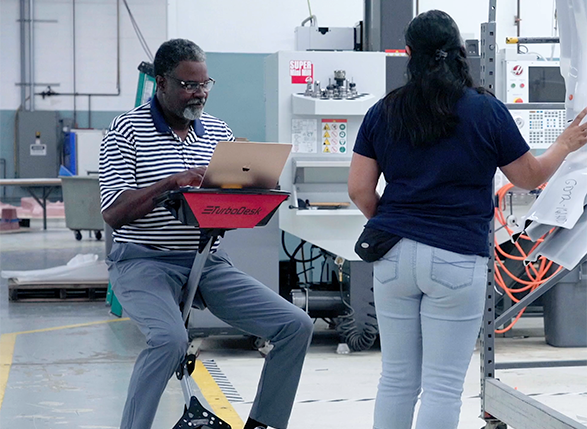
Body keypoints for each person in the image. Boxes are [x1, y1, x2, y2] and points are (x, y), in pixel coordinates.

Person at [347, 10, 587, 429]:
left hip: (393, 257)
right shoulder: (485, 110)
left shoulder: (383, 112)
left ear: (409, 54)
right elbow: (527, 177)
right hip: (457, 259)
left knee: (397, 380)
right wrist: (564, 144)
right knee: (442, 385)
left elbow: (358, 191)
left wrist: (393, 221)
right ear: (461, 51)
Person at [99, 38, 313, 429]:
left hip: (206, 260)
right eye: (186, 85)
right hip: (144, 260)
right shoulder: (126, 130)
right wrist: (172, 184)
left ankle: (265, 423)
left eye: (204, 84)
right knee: (169, 340)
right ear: (161, 83)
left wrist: (257, 193)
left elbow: (250, 212)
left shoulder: (217, 131)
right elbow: (114, 212)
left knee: (296, 325)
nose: (198, 93)